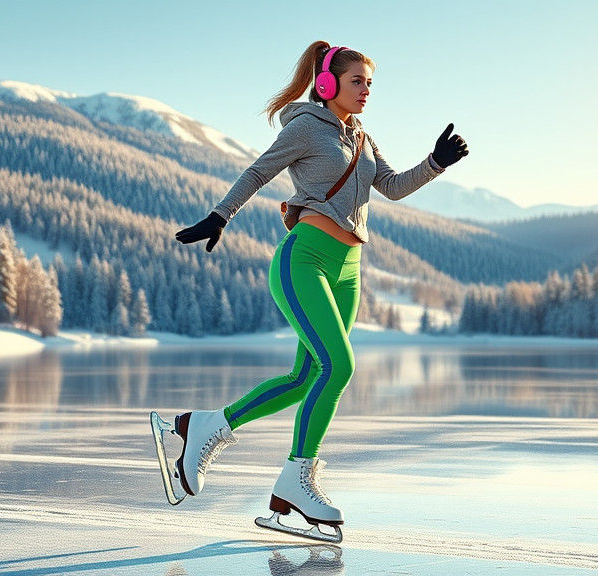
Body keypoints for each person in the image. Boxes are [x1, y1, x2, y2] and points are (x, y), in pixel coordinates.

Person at [168, 40, 468, 535]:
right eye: (357, 81)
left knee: (306, 377)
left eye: (370, 83)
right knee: (339, 366)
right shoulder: (306, 126)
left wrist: (435, 163)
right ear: (327, 84)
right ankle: (296, 476)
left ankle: (207, 426)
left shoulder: (363, 138)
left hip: (348, 268)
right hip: (304, 259)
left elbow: (392, 187)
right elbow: (259, 171)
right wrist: (220, 216)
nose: (366, 90)